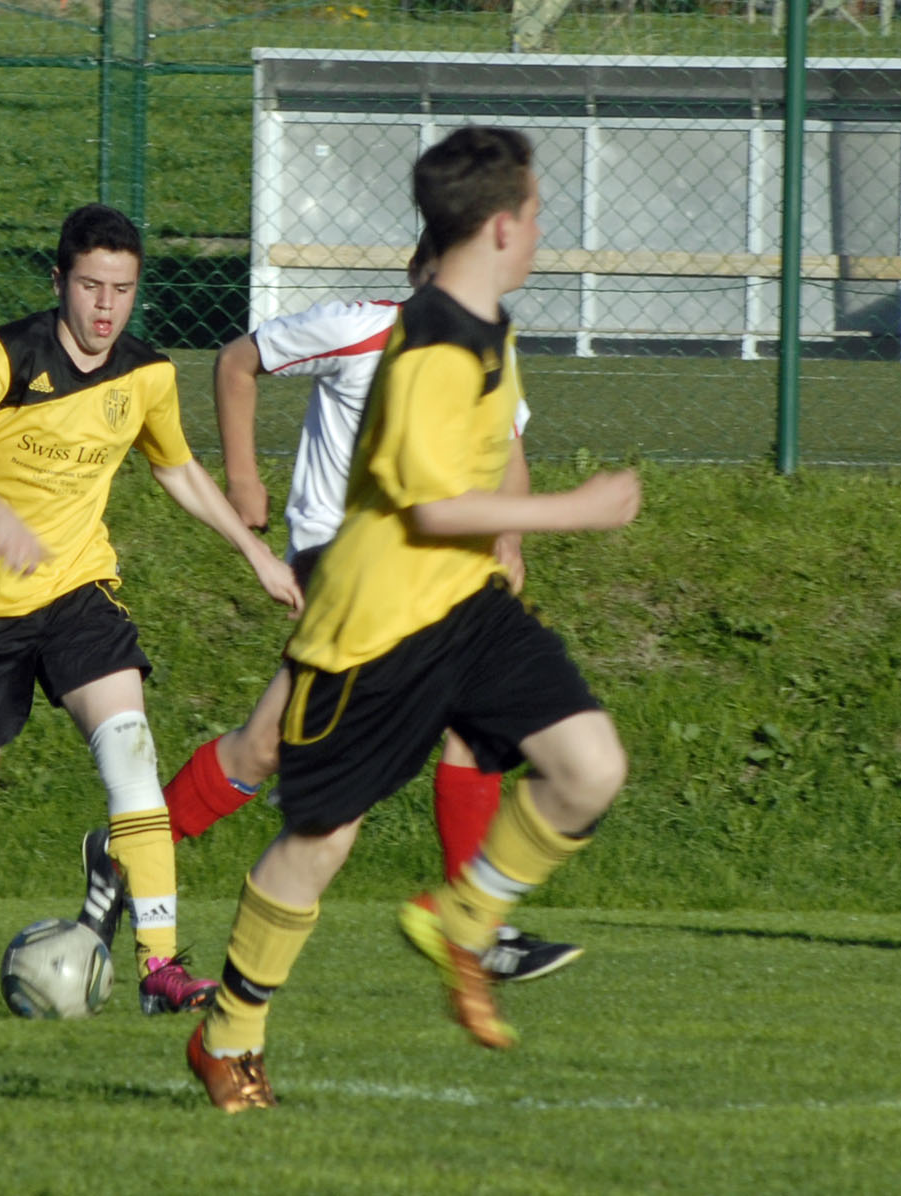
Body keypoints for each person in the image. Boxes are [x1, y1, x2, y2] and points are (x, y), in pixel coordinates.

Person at [184, 126, 642, 1111]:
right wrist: (575, 509)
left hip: (463, 605)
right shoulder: (430, 344)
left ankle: (461, 919)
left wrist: (513, 535)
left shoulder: (489, 327)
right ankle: (227, 1032)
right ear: (501, 226)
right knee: (321, 837)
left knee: (590, 766)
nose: (542, 230)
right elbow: (430, 508)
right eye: (536, 212)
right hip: (373, 623)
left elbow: (488, 463)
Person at [76, 230, 583, 986]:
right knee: (277, 754)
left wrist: (508, 538)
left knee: (455, 728)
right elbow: (237, 360)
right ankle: (131, 857)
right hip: (344, 572)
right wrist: (243, 477)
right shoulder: (359, 328)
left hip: (439, 577)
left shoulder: (490, 353)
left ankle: (470, 926)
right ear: (419, 272)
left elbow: (508, 450)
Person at [0, 203, 303, 1016]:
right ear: (58, 281)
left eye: (121, 290)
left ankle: (158, 965)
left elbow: (176, 469)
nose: (104, 307)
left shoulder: (145, 374)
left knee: (131, 755)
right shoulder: (4, 355)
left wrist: (254, 552)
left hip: (76, 590)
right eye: (90, 285)